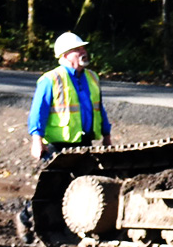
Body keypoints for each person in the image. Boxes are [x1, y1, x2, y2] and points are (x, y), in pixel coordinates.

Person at [27, 31, 111, 163]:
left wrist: (106, 136)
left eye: (83, 48)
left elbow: (99, 109)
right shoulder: (51, 79)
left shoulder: (92, 77)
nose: (83, 52)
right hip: (58, 145)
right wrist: (37, 141)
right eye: (77, 50)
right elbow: (38, 111)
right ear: (65, 55)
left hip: (85, 142)